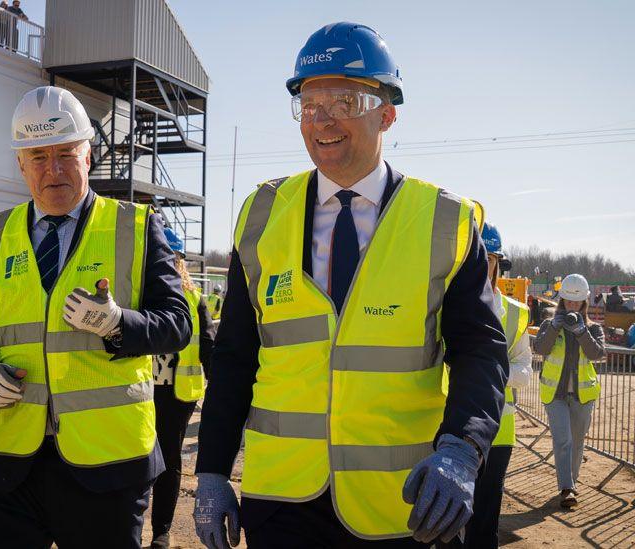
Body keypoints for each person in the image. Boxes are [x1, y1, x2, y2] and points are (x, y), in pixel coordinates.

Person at [192, 22, 508, 549]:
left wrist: (461, 450)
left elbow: (481, 350)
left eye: (345, 100)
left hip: (402, 505)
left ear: (388, 113)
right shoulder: (260, 215)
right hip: (281, 502)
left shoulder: (444, 220)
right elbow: (235, 355)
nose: (323, 119)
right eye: (310, 104)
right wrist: (212, 470)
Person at [0, 85, 191, 548]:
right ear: (20, 164)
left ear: (89, 155)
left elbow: (177, 322)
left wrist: (118, 324)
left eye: (66, 153)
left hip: (108, 470)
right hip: (10, 468)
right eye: (39, 157)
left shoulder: (137, 226)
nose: (54, 169)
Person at [451, 223, 532, 548]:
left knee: (485, 519)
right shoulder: (444, 305)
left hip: (499, 430)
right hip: (450, 427)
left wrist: (486, 371)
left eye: (488, 258)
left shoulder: (515, 314)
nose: (482, 266)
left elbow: (525, 371)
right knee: (450, 518)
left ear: (498, 263)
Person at [149, 228, 216, 549]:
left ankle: (161, 531)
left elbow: (209, 349)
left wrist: (224, 396)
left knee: (168, 460)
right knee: (132, 458)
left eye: (169, 257)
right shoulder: (136, 289)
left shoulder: (193, 299)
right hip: (138, 390)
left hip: (176, 395)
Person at [532, 273, 605, 508]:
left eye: (577, 303)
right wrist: (554, 327)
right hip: (556, 396)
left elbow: (597, 354)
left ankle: (572, 479)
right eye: (569, 302)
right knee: (563, 439)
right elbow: (541, 348)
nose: (572, 306)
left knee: (577, 440)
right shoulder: (548, 324)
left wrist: (581, 331)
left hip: (583, 396)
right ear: (562, 301)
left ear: (584, 303)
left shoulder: (593, 329)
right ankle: (567, 488)